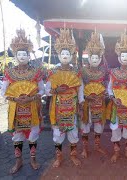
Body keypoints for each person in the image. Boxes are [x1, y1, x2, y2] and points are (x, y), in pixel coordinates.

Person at [1, 29, 44, 174]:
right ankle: (18, 161)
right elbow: (3, 92)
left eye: (24, 54)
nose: (22, 56)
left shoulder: (36, 72)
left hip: (32, 107)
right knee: (17, 136)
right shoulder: (9, 72)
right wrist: (15, 98)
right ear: (16, 55)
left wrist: (32, 97)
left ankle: (33, 159)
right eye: (19, 54)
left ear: (28, 56)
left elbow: (42, 90)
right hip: (16, 109)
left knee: (33, 134)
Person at [45, 28, 85, 167]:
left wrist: (80, 104)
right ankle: (59, 157)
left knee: (73, 133)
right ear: (59, 54)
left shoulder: (76, 71)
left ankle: (73, 155)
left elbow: (80, 89)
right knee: (58, 134)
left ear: (71, 54)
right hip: (57, 106)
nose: (65, 55)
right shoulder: (53, 71)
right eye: (63, 53)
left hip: (72, 106)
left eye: (68, 53)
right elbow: (47, 91)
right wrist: (56, 90)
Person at [107, 30, 127, 163]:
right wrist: (113, 98)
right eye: (122, 56)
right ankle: (116, 152)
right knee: (115, 130)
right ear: (119, 57)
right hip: (116, 106)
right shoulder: (113, 72)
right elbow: (109, 88)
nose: (125, 59)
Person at [80, 30, 109, 158]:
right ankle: (85, 149)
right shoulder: (83, 71)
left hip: (99, 101)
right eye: (93, 57)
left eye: (97, 57)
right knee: (85, 125)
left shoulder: (104, 70)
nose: (95, 59)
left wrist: (105, 93)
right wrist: (84, 97)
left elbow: (108, 84)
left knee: (99, 125)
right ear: (89, 57)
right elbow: (80, 86)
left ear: (100, 58)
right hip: (87, 102)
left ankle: (97, 146)